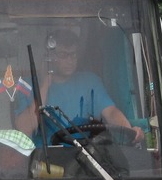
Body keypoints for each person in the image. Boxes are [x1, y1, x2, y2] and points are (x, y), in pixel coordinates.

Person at [14, 28, 144, 146]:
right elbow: (24, 129)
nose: (70, 60)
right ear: (49, 57)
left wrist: (128, 130)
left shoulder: (90, 81)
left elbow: (110, 112)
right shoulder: (28, 85)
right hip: (44, 163)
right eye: (64, 55)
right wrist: (44, 85)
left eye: (73, 55)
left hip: (86, 160)